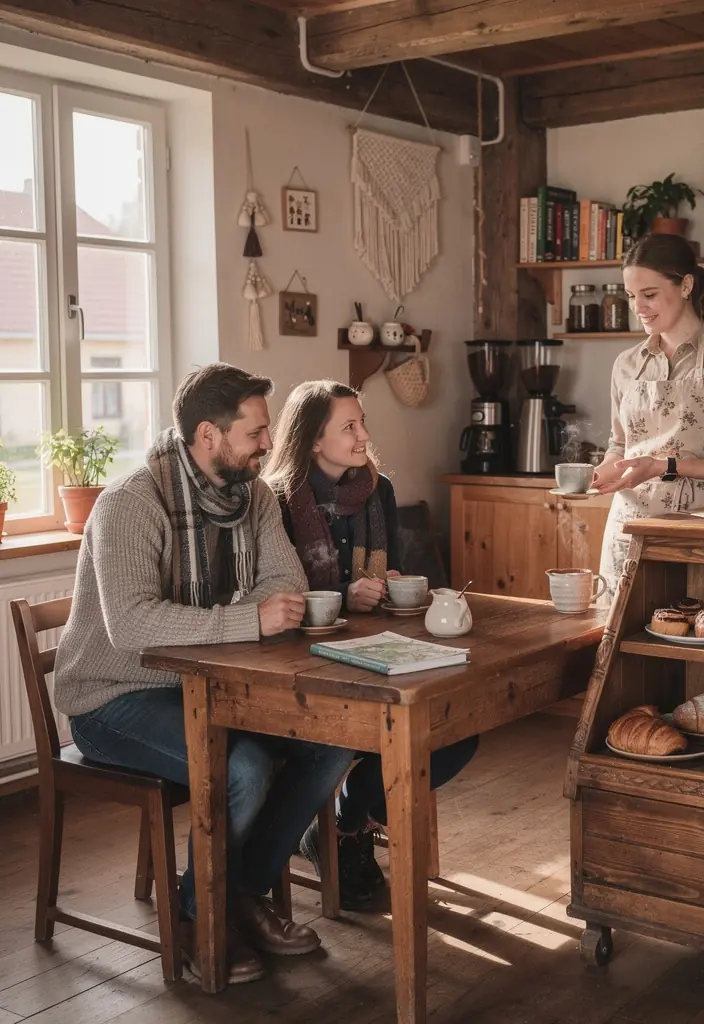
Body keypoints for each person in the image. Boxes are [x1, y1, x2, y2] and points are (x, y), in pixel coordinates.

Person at [55, 363, 354, 985]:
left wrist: (254, 614)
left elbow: (286, 581)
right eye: (256, 432)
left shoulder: (256, 497)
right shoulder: (130, 505)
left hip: (210, 687)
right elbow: (132, 627)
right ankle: (198, 917)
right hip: (114, 697)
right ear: (208, 436)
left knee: (330, 743)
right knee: (239, 768)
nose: (269, 444)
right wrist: (246, 621)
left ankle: (239, 895)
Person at [263, 379, 478, 909]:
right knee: (369, 736)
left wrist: (388, 584)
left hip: (371, 647)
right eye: (350, 426)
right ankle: (343, 831)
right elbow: (274, 593)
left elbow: (386, 574)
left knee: (459, 728)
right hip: (296, 661)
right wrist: (342, 592)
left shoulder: (376, 489)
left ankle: (346, 821)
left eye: (363, 422)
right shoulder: (274, 499)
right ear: (314, 439)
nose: (364, 435)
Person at [593, 234, 704, 601]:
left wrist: (662, 466)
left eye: (650, 294)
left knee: (691, 633)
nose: (638, 306)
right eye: (631, 296)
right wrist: (605, 470)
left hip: (701, 526)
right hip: (629, 524)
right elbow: (620, 444)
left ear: (686, 285)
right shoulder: (626, 364)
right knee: (617, 643)